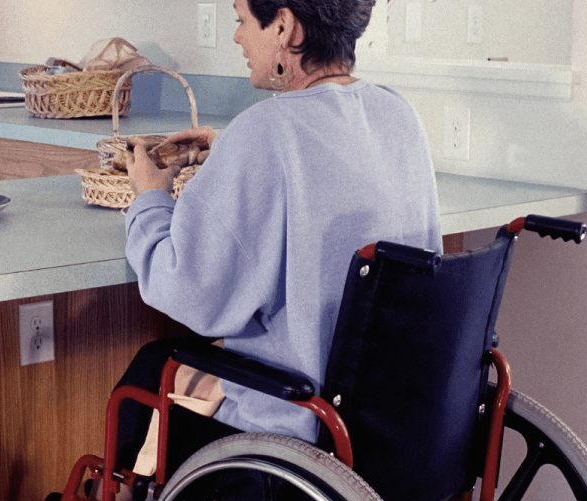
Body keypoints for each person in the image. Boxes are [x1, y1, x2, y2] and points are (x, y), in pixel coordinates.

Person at [118, 0, 441, 468]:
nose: (236, 37)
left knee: (150, 369)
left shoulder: (265, 130)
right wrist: (233, 152)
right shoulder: (398, 114)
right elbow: (321, 172)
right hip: (391, 417)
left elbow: (189, 290)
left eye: (241, 20)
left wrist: (150, 197)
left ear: (285, 27)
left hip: (302, 426)